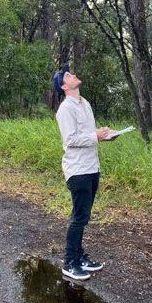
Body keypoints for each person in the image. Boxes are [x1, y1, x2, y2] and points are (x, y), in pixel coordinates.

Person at [53, 63, 116, 280]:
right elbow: (70, 140)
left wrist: (105, 135)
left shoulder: (85, 104)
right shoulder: (65, 110)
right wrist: (95, 136)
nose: (73, 74)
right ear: (64, 86)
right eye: (68, 75)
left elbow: (89, 135)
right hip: (77, 169)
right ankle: (69, 262)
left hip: (92, 167)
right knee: (79, 217)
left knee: (85, 216)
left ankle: (80, 257)